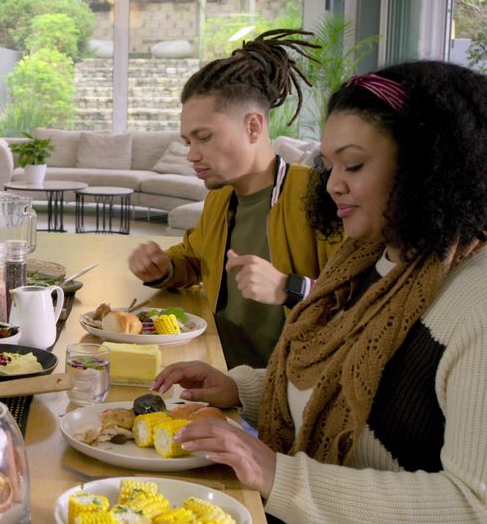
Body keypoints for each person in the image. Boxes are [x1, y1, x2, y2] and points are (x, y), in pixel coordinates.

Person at [154, 61, 487, 522]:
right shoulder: (367, 262)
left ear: (430, 164)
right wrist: (241, 388)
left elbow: (474, 504)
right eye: (328, 165)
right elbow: (327, 377)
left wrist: (275, 472)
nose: (332, 184)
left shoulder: (475, 305)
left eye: (353, 164)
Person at [127, 30, 341, 368]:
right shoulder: (221, 197)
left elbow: (363, 301)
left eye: (205, 137)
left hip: (286, 391)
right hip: (217, 370)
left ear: (254, 127)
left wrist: (291, 288)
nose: (192, 155)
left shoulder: (322, 196)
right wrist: (164, 267)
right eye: (188, 142)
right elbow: (196, 259)